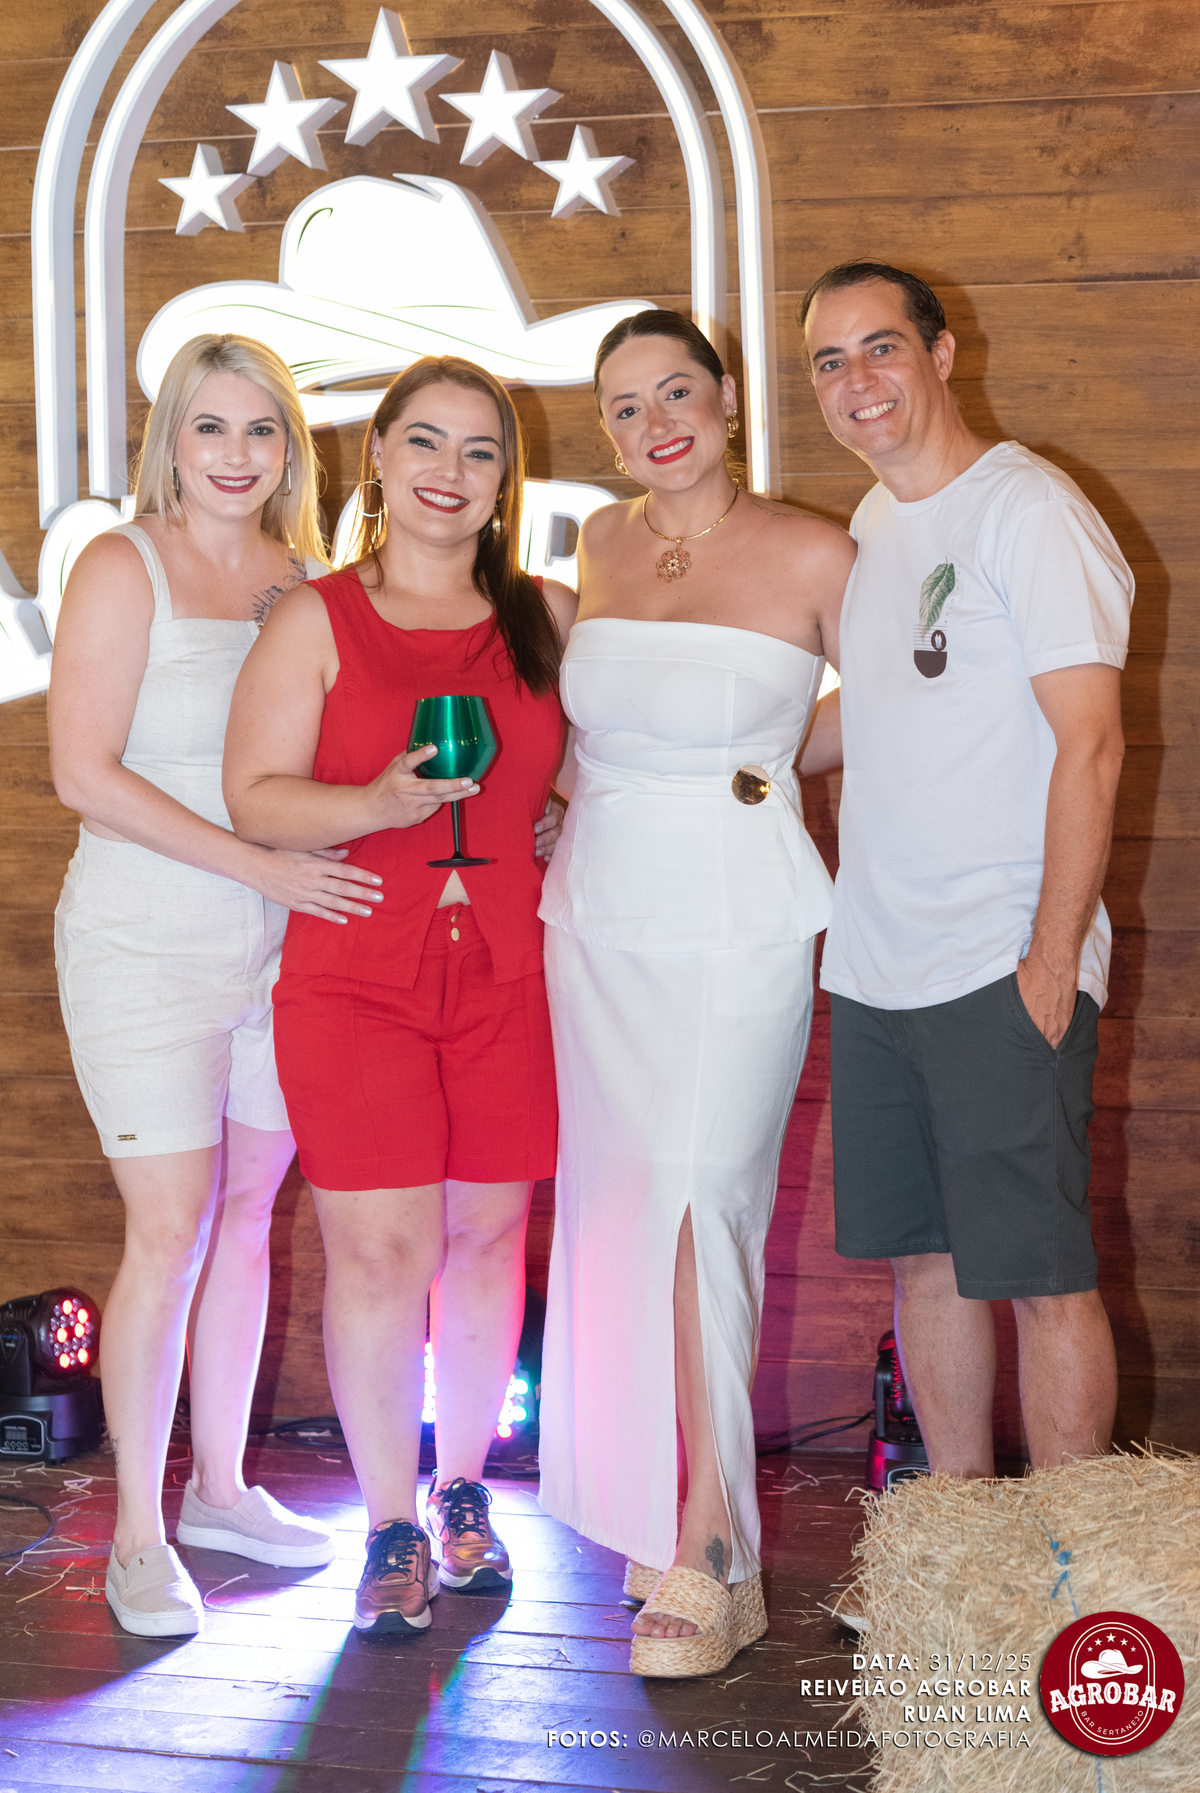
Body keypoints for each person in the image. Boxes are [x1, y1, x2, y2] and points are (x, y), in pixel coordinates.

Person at [223, 356, 573, 1638]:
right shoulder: (315, 619)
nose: (449, 471)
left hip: (512, 974)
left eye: (479, 451)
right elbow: (254, 796)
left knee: (486, 1241)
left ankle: (462, 1488)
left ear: (504, 478)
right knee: (378, 1251)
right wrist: (373, 802)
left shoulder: (550, 616)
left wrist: (561, 819)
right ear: (377, 454)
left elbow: (600, 772)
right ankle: (387, 1521)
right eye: (424, 441)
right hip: (357, 977)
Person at [537, 309, 854, 1677]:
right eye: (624, 406)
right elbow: (582, 727)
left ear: (726, 397)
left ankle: (716, 1546)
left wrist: (767, 757)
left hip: (740, 916)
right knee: (623, 1209)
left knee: (702, 1203)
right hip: (595, 916)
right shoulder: (598, 547)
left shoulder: (818, 550)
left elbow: (903, 700)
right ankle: (659, 1505)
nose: (654, 423)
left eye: (676, 392)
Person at [49, 335, 374, 1637]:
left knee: (247, 1216)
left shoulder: (309, 583)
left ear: (293, 448)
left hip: (284, 950)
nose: (238, 455)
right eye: (211, 428)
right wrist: (259, 864)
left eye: (262, 430)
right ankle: (137, 1535)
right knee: (171, 1224)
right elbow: (84, 774)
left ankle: (223, 1491)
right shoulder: (120, 563)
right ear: (170, 442)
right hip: (145, 945)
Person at [799, 261, 1130, 1483]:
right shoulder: (874, 526)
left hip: (1001, 961)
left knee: (1041, 1274)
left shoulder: (1025, 509)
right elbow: (870, 711)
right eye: (830, 361)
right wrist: (700, 763)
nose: (858, 380)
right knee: (925, 1262)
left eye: (881, 347)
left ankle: (1069, 1554)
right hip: (877, 966)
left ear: (941, 355)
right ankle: (962, 1534)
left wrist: (1052, 955)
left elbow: (1092, 744)